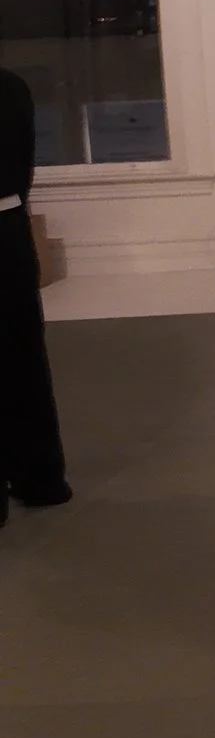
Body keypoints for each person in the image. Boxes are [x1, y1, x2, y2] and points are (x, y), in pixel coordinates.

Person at [0, 66, 71, 531]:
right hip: (7, 230)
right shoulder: (11, 85)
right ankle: (41, 479)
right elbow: (24, 167)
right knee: (23, 358)